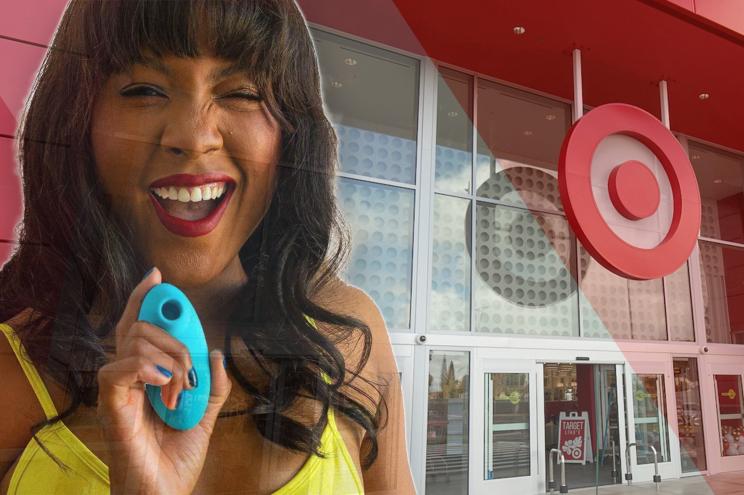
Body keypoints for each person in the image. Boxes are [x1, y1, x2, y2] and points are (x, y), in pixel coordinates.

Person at [0, 0, 415, 493]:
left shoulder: (347, 338)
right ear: (77, 124)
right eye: (144, 90)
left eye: (241, 92)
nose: (194, 137)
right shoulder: (10, 368)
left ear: (292, 135)